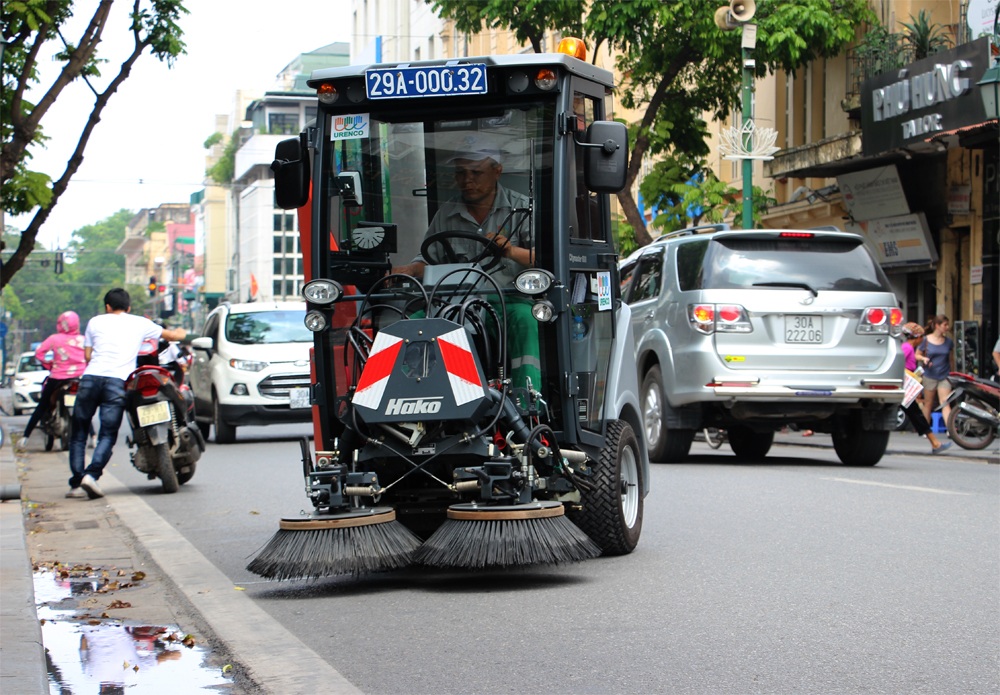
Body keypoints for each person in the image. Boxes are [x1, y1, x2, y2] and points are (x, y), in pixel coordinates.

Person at [391, 134, 540, 392]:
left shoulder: (521, 209)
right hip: (457, 301)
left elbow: (545, 259)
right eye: (460, 173)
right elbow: (429, 259)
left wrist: (511, 251)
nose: (467, 180)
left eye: (476, 172)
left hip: (508, 301)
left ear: (497, 171)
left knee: (526, 320)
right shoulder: (446, 213)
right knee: (410, 324)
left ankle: (527, 399)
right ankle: (414, 398)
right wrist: (409, 269)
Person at [66, 288, 186, 500]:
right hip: (117, 382)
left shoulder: (95, 322)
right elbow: (172, 336)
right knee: (107, 433)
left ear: (107, 306)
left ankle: (76, 483)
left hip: (91, 379)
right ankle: (91, 476)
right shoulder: (140, 323)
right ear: (128, 307)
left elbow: (87, 356)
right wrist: (182, 333)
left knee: (79, 432)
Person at [22, 311, 86, 442]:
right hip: (80, 378)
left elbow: (39, 353)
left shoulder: (54, 339)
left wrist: (49, 364)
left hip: (58, 377)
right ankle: (94, 436)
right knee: (85, 406)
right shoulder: (83, 340)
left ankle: (26, 437)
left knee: (42, 405)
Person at [900, 322, 951, 454]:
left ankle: (935, 443)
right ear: (917, 337)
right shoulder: (907, 348)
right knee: (916, 414)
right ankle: (935, 443)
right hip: (905, 386)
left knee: (916, 414)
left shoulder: (908, 347)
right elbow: (899, 364)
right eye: (921, 337)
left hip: (906, 386)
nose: (922, 340)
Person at [915, 314, 955, 428]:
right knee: (928, 403)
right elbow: (916, 355)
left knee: (945, 402)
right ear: (937, 326)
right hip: (929, 375)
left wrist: (952, 373)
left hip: (945, 376)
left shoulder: (948, 342)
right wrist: (923, 359)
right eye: (945, 325)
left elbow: (951, 359)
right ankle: (925, 429)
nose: (947, 327)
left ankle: (950, 430)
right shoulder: (926, 340)